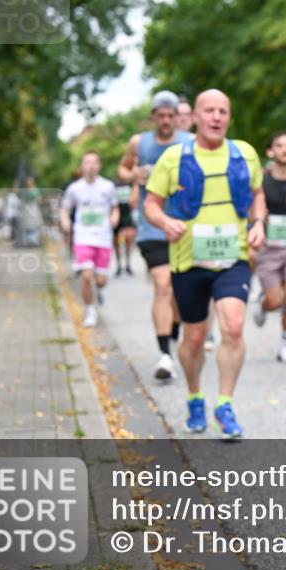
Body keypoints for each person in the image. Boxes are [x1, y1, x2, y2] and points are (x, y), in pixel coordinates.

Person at [144, 89, 266, 440]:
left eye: (223, 111)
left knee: (233, 326)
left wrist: (258, 223)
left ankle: (224, 405)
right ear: (194, 116)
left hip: (233, 257)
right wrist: (164, 222)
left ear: (229, 116)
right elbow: (151, 203)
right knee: (194, 337)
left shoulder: (245, 154)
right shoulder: (174, 157)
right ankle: (195, 396)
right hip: (189, 260)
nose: (216, 117)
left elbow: (258, 194)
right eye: (209, 110)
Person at [118, 91, 193, 381]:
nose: (165, 120)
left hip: (185, 224)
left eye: (170, 115)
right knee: (163, 285)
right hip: (151, 224)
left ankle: (174, 333)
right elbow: (122, 168)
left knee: (178, 289)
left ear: (177, 117)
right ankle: (164, 353)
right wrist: (134, 174)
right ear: (153, 117)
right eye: (160, 115)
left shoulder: (189, 142)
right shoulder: (140, 142)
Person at [251, 131, 286, 363]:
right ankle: (264, 305)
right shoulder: (262, 179)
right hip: (269, 248)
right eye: (279, 145)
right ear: (270, 151)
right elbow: (252, 208)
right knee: (276, 300)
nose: (284, 149)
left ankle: (284, 344)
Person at [60, 152, 119, 328]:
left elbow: (115, 207)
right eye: (87, 162)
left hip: (103, 237)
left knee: (100, 279)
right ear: (82, 166)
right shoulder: (74, 188)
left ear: (99, 166)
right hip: (83, 236)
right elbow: (64, 208)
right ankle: (90, 310)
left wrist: (114, 218)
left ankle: (98, 289)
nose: (91, 166)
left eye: (94, 162)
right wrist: (65, 221)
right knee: (86, 275)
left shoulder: (108, 186)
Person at [113, 179, 137, 276]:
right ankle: (118, 265)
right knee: (116, 241)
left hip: (127, 215)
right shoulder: (113, 184)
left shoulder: (130, 184)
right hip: (117, 215)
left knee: (128, 239)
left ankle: (128, 264)